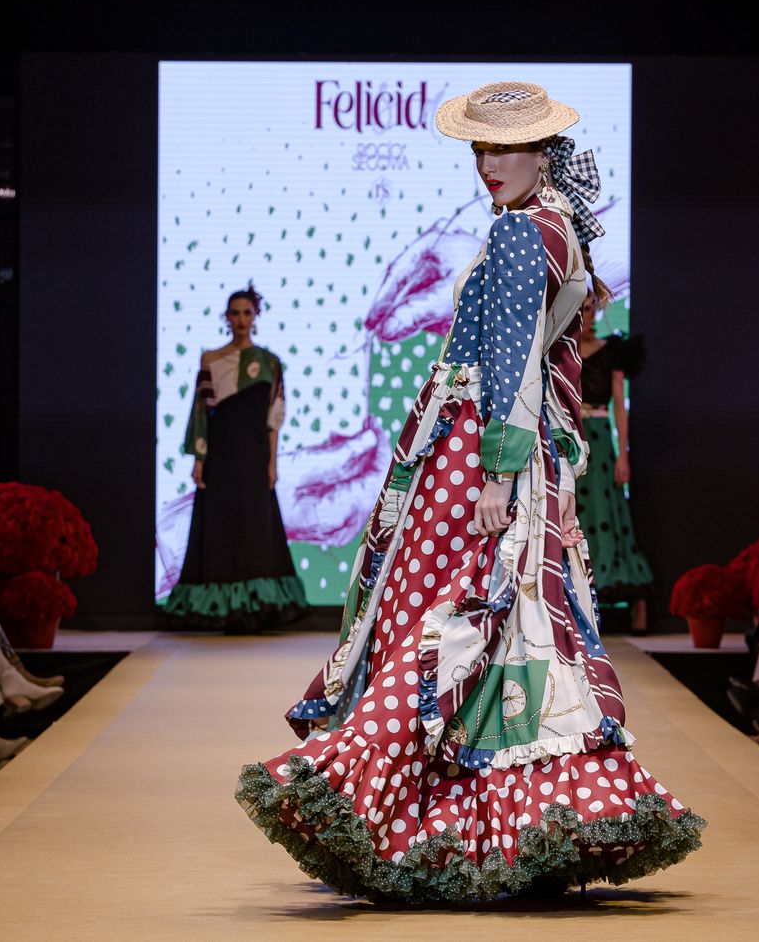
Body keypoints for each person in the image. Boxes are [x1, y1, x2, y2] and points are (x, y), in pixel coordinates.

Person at [236, 81, 704, 901]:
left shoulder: (527, 231)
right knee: (505, 627)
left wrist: (495, 466)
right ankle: (503, 817)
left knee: (449, 616)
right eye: (480, 150)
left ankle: (380, 796)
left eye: (505, 148)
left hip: (483, 454)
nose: (488, 165)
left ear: (543, 152)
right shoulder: (553, 225)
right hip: (507, 451)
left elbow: (515, 361)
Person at [161, 285, 307, 632]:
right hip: (221, 455)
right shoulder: (211, 359)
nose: (241, 319)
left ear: (255, 316)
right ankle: (222, 610)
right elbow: (200, 410)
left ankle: (255, 609)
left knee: (253, 527)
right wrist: (198, 458)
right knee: (221, 527)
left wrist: (272, 463)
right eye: (235, 313)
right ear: (227, 318)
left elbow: (275, 418)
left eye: (246, 312)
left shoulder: (270, 363)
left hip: (253, 456)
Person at [574, 296, 653, 631]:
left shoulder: (612, 349)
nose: (588, 316)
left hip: (601, 441)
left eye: (592, 309)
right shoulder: (563, 350)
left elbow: (620, 405)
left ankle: (638, 604)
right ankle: (577, 598)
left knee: (609, 514)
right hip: (572, 436)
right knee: (576, 514)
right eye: (582, 309)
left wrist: (624, 454)